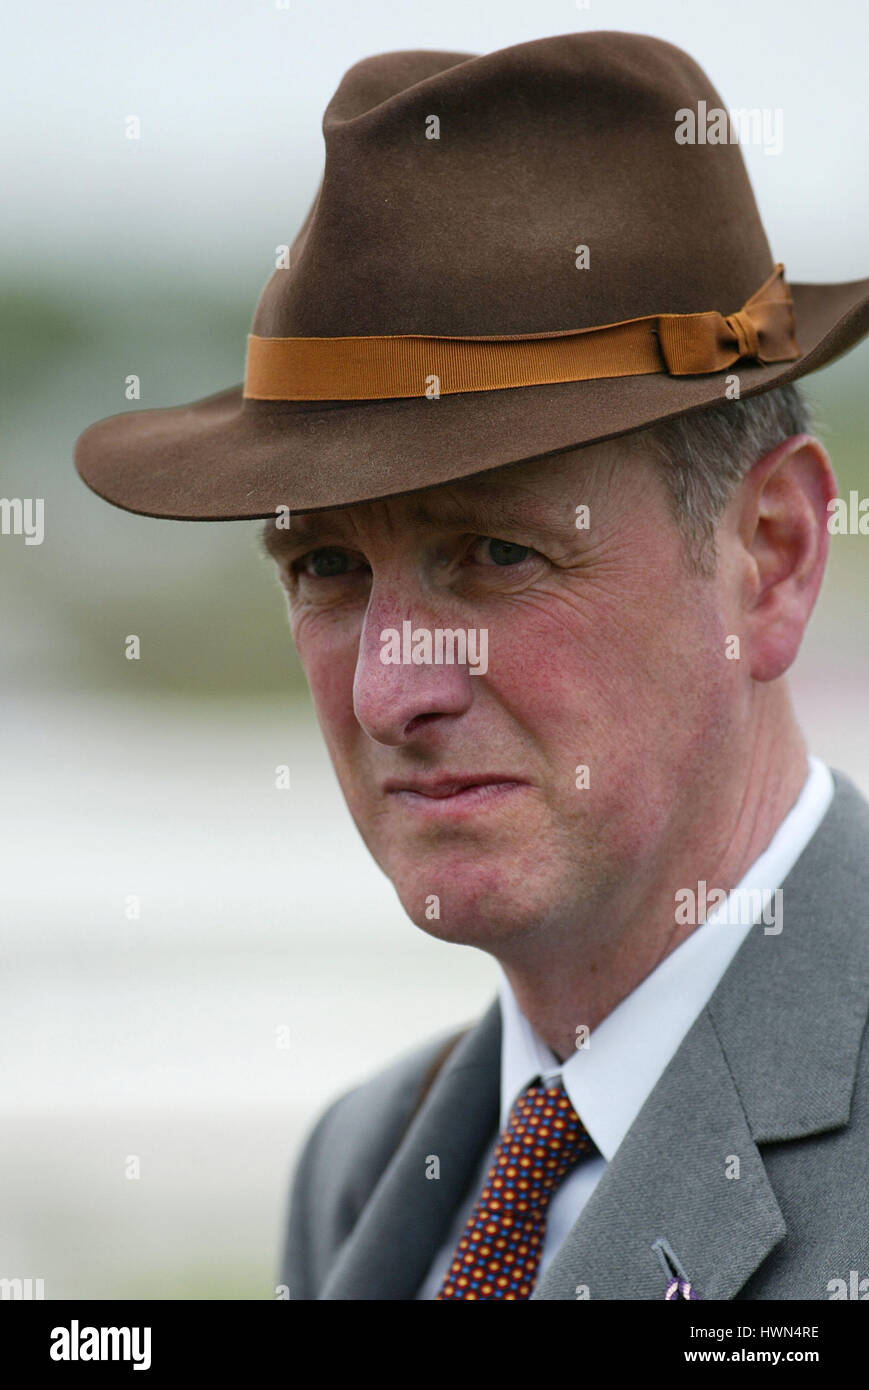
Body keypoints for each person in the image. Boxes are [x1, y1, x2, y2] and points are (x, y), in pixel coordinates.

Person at [74, 31, 869, 1300]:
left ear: (767, 558)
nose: (391, 692)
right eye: (325, 565)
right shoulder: (363, 1167)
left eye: (498, 552)